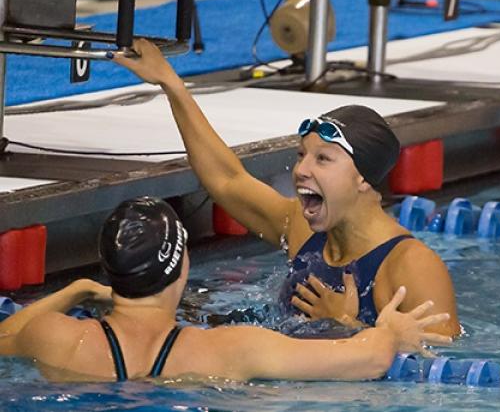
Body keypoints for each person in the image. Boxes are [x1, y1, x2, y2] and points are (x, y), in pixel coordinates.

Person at [110, 40, 460, 336]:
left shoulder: (411, 267)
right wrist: (171, 84)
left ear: (363, 178)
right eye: (301, 155)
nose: (301, 170)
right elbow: (226, 180)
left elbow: (445, 375)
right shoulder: (300, 227)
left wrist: (346, 326)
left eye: (323, 159)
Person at [0, 197, 450, 382]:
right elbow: (369, 359)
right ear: (182, 267)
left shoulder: (56, 337)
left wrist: (76, 290)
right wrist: (387, 330)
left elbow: (4, 338)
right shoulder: (232, 349)